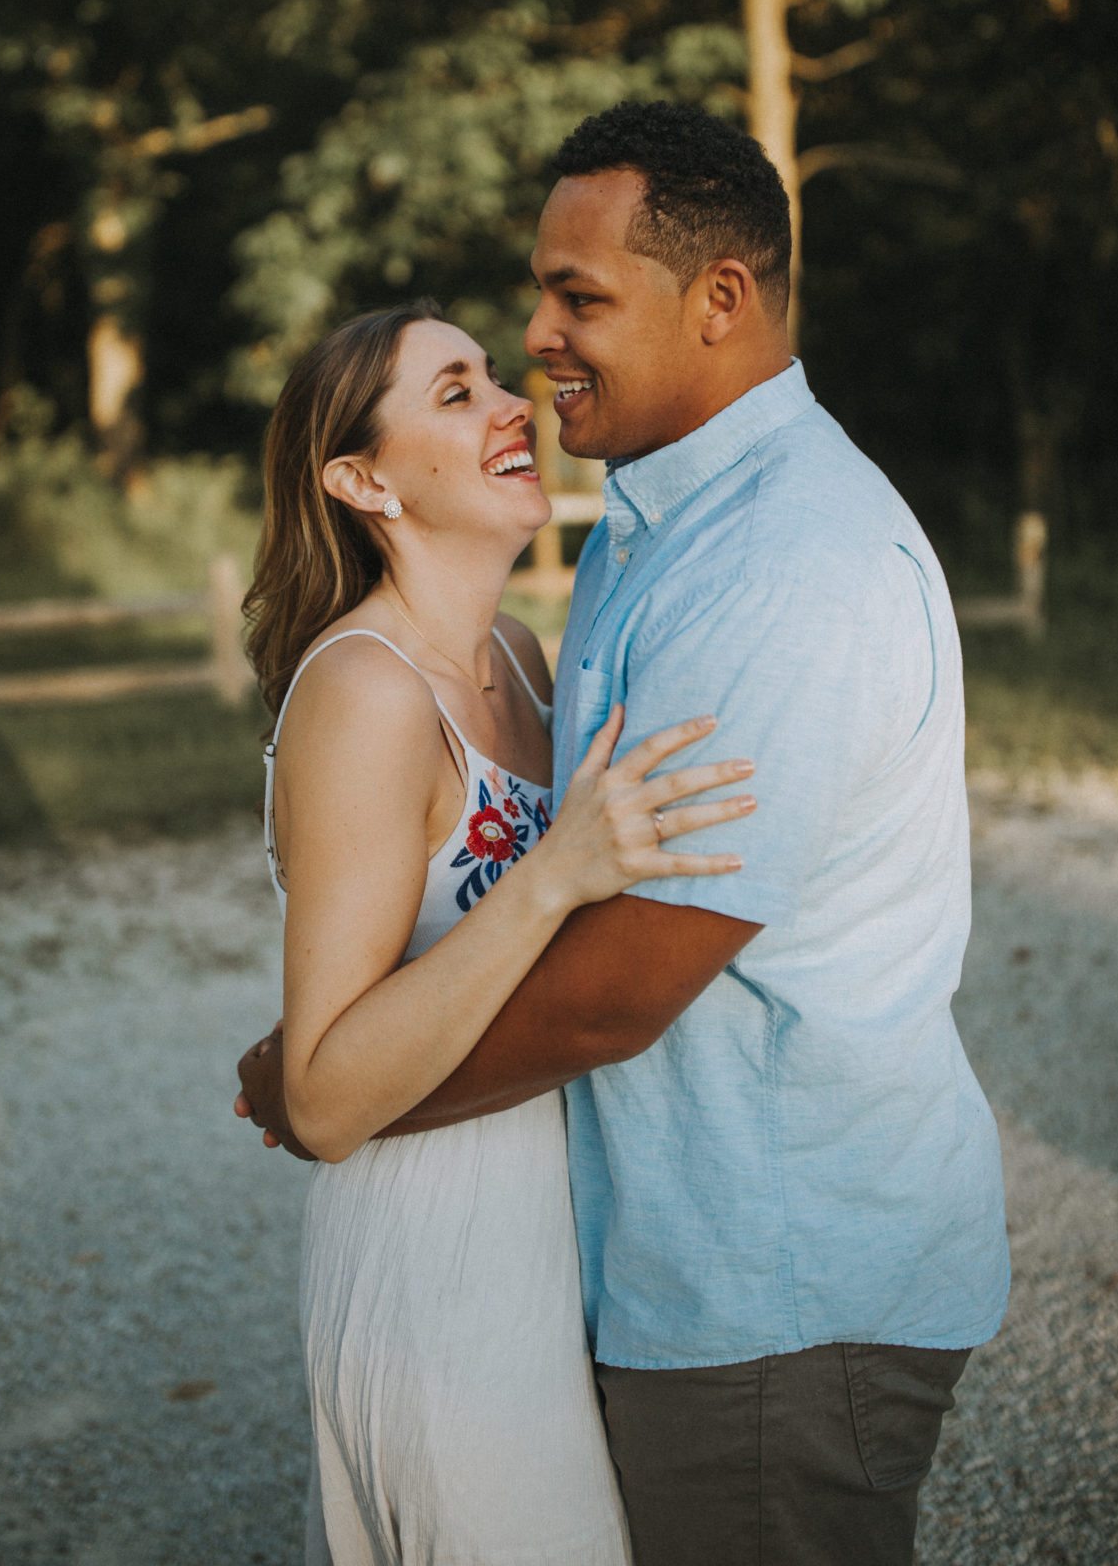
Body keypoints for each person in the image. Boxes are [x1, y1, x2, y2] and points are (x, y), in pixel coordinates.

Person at [239, 101, 1011, 1565]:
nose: (534, 344)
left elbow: (615, 988)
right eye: (519, 317)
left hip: (770, 1281)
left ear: (719, 298)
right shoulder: (646, 536)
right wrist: (337, 1060)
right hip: (588, 1258)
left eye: (575, 297)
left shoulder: (782, 565)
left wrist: (320, 1087)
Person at [244, 296, 757, 1564]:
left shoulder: (523, 655)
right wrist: (550, 878)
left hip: (559, 1242)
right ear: (364, 481)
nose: (510, 402)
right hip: (437, 1263)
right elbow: (323, 1097)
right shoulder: (365, 690)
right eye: (455, 392)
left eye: (489, 375)